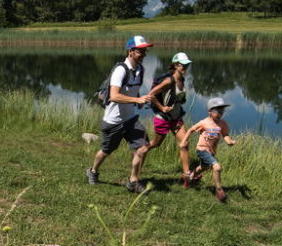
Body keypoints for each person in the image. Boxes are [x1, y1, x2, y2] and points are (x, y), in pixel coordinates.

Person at [86, 35, 154, 193]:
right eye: (141, 51)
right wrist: (136, 101)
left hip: (130, 119)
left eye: (146, 51)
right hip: (113, 121)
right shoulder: (120, 70)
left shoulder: (140, 70)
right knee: (106, 150)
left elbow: (131, 91)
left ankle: (133, 181)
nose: (144, 54)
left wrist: (141, 100)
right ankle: (93, 171)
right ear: (130, 51)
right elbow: (114, 95)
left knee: (143, 146)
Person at [143, 52, 194, 186]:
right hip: (164, 118)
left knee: (185, 144)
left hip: (176, 117)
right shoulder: (168, 80)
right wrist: (162, 107)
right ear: (176, 65)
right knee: (155, 144)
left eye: (187, 64)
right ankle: (140, 152)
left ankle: (186, 176)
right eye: (183, 64)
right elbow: (151, 94)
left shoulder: (181, 79)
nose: (186, 67)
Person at [187, 97, 237, 202]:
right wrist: (184, 141)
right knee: (217, 167)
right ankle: (219, 191)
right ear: (209, 111)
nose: (220, 113)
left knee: (203, 167)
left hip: (211, 151)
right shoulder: (204, 122)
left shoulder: (223, 124)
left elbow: (225, 134)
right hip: (202, 149)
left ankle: (190, 178)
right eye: (217, 111)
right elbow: (191, 130)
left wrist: (229, 141)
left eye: (222, 111)